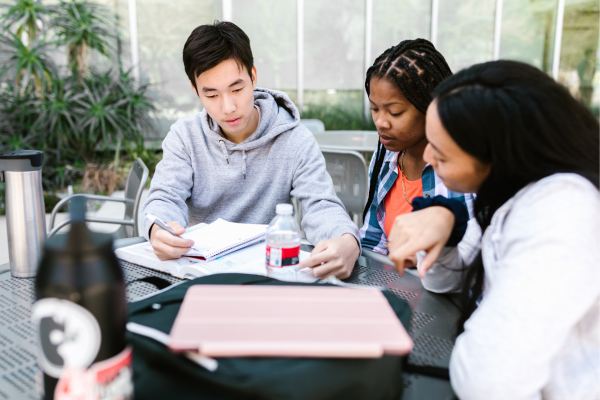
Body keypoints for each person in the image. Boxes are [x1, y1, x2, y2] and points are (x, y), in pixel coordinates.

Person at [387, 60, 599, 400]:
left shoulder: (563, 211)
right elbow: (443, 281)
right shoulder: (509, 195)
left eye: (441, 152)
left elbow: (488, 378)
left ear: (500, 156)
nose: (428, 156)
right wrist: (447, 225)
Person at [141, 21, 360, 279]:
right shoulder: (185, 137)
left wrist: (347, 240)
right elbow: (164, 198)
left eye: (237, 89)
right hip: (199, 275)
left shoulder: (295, 140)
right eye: (212, 95)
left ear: (253, 77)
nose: (228, 107)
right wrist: (158, 229)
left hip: (266, 274)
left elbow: (321, 205)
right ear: (196, 90)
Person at [360, 39, 474, 258]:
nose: (380, 122)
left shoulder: (464, 166)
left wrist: (426, 257)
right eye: (375, 109)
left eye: (395, 112)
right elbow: (372, 241)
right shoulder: (385, 157)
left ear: (431, 106)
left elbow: (478, 249)